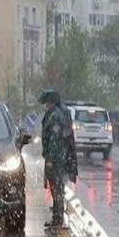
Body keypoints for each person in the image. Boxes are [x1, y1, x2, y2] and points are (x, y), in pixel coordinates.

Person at [39, 88, 77, 227]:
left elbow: (54, 139)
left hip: (56, 159)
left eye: (46, 102)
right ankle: (57, 217)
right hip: (59, 157)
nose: (44, 105)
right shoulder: (57, 113)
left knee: (57, 189)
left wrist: (50, 159)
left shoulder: (55, 115)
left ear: (50, 101)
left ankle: (57, 219)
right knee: (56, 188)